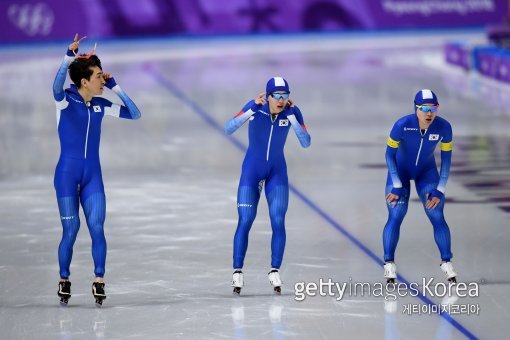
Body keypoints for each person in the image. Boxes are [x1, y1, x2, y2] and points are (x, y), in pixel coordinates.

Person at [53, 34, 141, 305]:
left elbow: (134, 114)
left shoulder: (102, 105)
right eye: (100, 77)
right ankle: (64, 278)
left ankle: (99, 280)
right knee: (71, 230)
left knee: (97, 227)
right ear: (84, 81)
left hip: (93, 176)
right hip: (67, 176)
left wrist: (116, 87)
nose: (104, 79)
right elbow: (57, 84)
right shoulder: (65, 101)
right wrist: (68, 56)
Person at [224, 77, 311, 295]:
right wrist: (250, 110)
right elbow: (228, 128)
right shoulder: (256, 107)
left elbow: (306, 142)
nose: (281, 101)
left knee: (278, 219)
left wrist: (292, 119)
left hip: (277, 172)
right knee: (245, 219)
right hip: (251, 172)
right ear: (268, 96)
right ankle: (237, 271)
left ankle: (274, 270)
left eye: (285, 96)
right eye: (277, 96)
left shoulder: (292, 111)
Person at [382, 89, 457, 284]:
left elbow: (447, 161)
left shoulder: (444, 128)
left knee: (436, 214)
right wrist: (397, 184)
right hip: (400, 172)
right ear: (416, 109)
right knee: (396, 213)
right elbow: (389, 155)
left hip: (426, 172)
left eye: (433, 108)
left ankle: (446, 261)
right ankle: (389, 262)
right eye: (424, 109)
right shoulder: (402, 125)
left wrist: (440, 189)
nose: (429, 113)